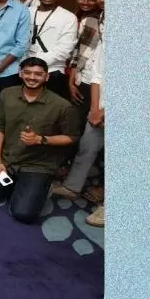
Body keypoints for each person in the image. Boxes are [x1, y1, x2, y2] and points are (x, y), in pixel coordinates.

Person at [0, 58, 78, 224]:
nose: (32, 77)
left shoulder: (61, 105)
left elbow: (71, 137)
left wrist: (41, 139)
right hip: (9, 159)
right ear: (20, 74)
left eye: (38, 74)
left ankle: (42, 186)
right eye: (28, 73)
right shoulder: (7, 94)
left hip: (38, 164)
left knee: (23, 213)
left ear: (46, 77)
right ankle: (21, 185)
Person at [52, 26, 105, 227]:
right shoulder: (106, 42)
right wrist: (95, 109)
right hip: (98, 107)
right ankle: (72, 187)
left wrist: (105, 111)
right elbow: (97, 77)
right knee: (87, 146)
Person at [26, 0, 79, 97]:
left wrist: (35, 65)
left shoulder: (68, 17)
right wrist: (26, 65)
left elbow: (64, 50)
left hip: (52, 72)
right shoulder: (27, 12)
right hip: (24, 70)